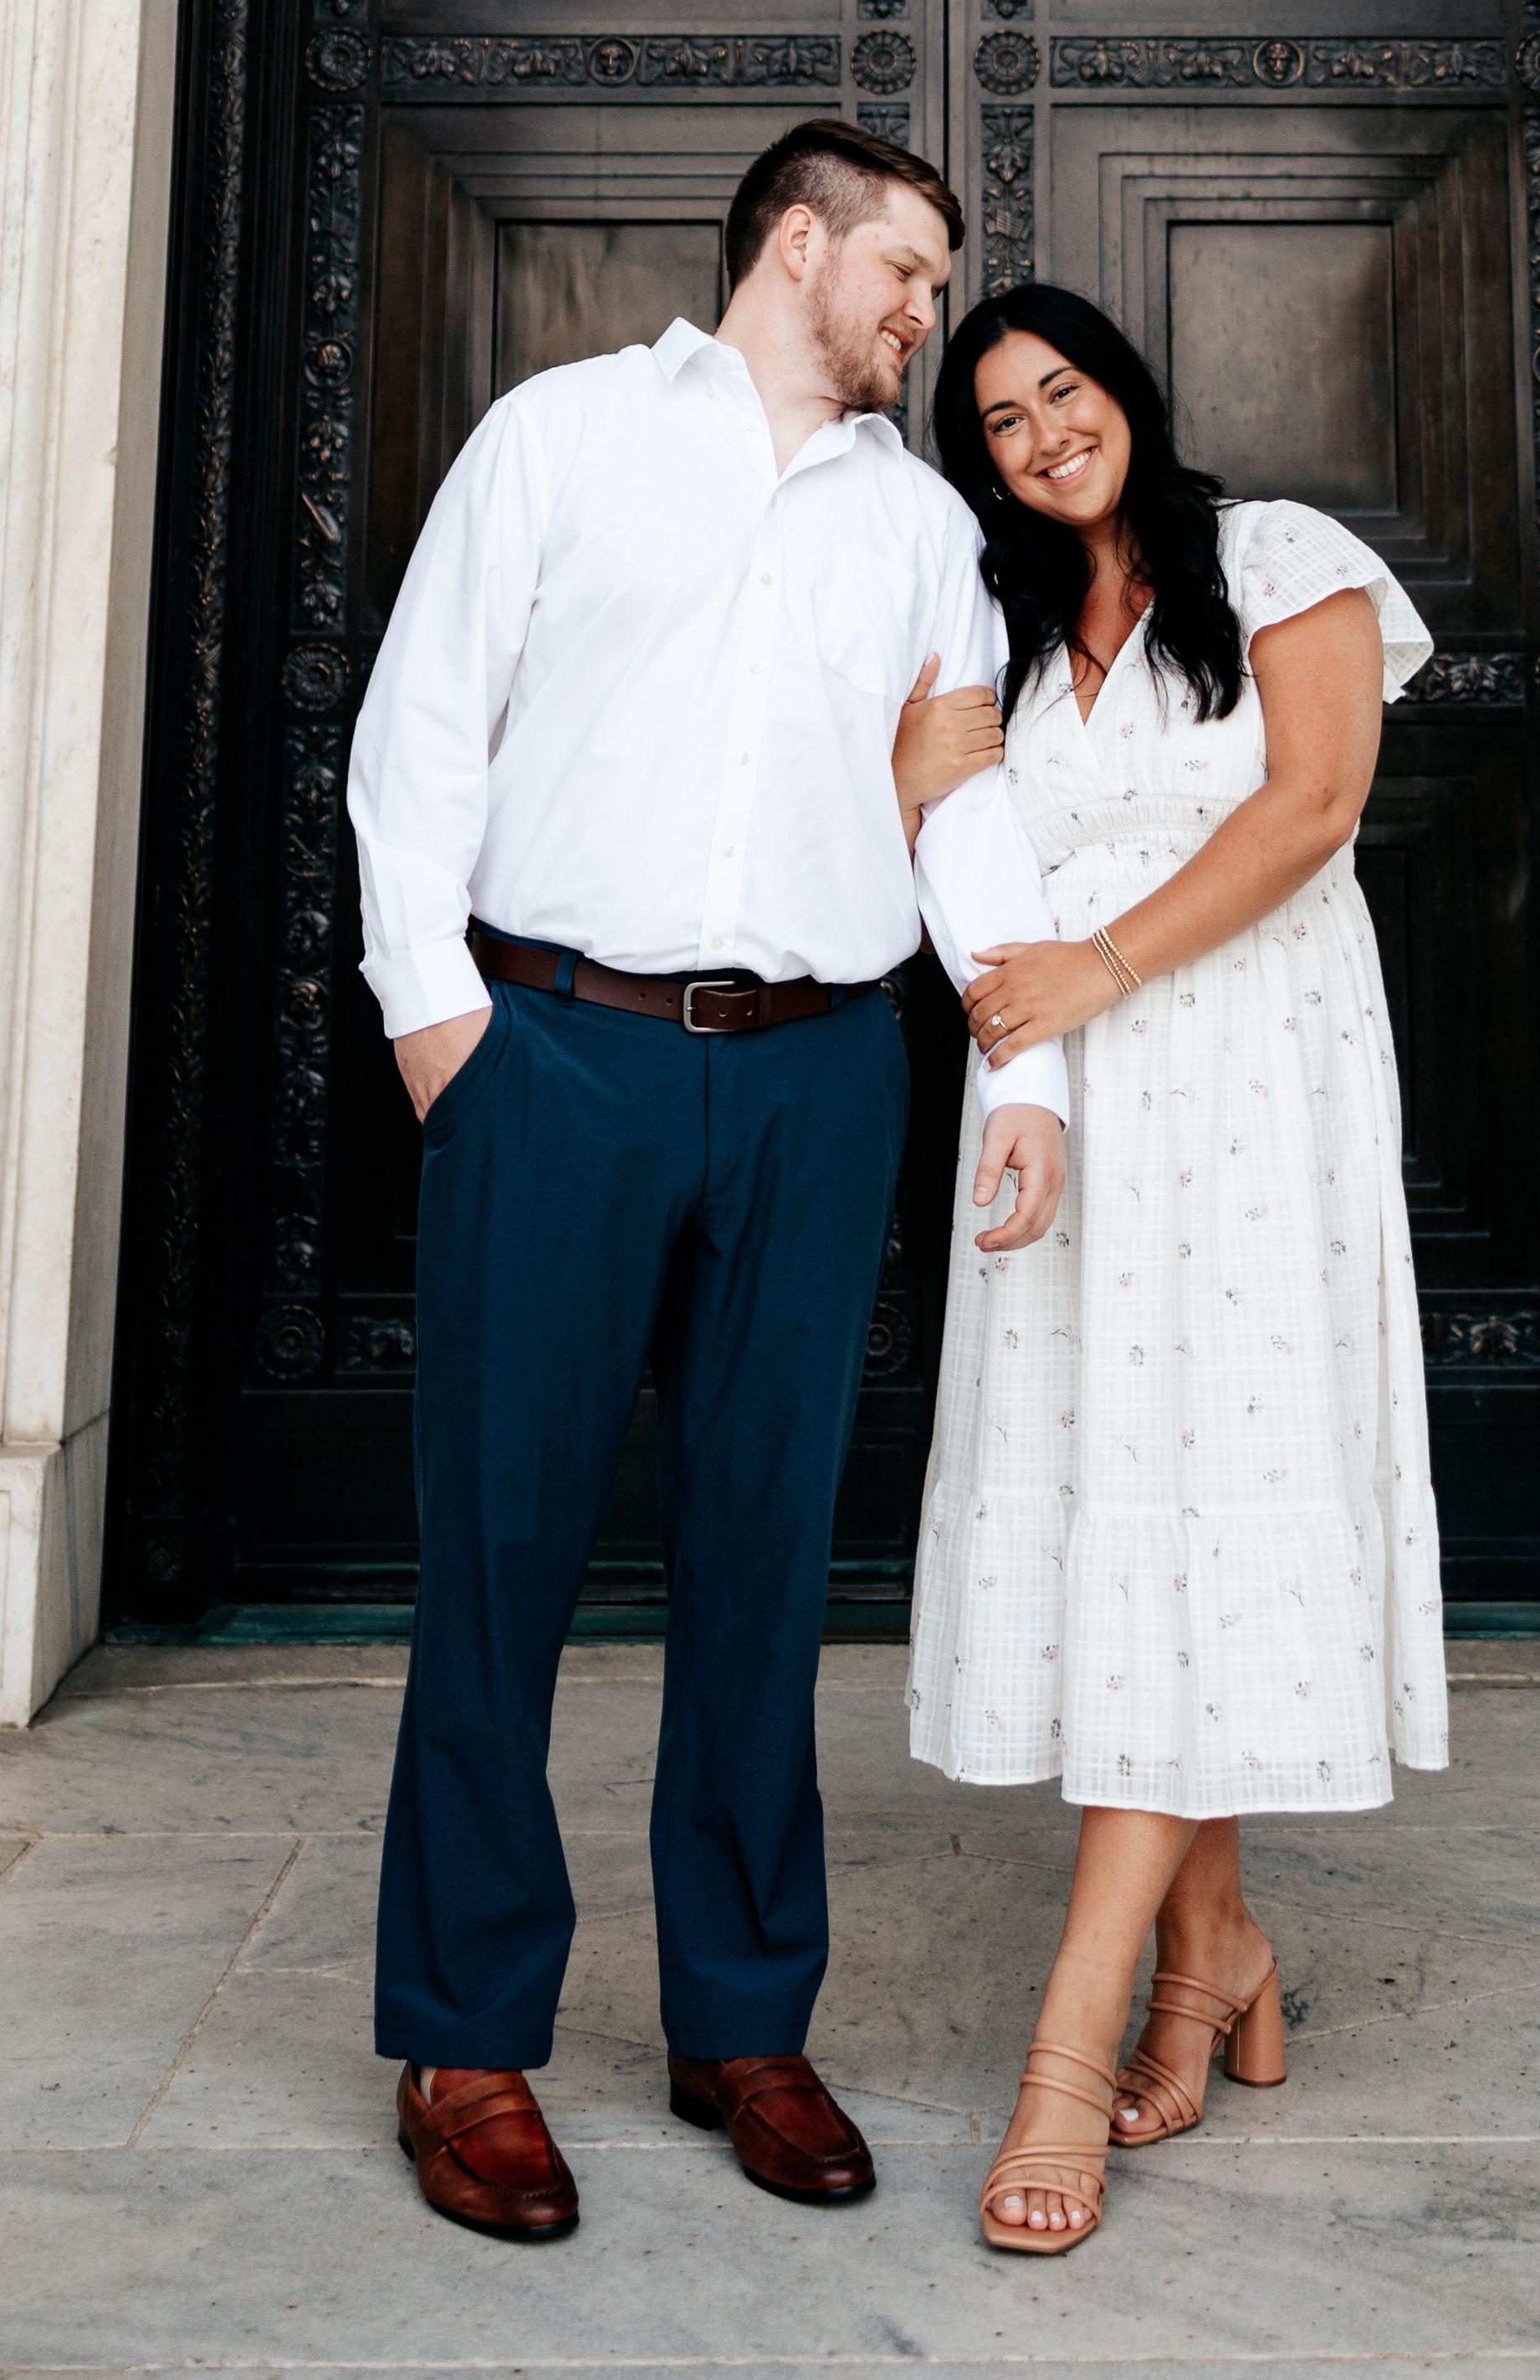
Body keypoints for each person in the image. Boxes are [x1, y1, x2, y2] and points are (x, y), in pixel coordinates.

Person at [342, 120, 1075, 2243]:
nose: (927, 309)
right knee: (501, 1551)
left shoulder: (918, 525)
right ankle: (464, 2036)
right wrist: (443, 1033)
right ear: (799, 241)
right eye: (907, 267)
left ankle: (741, 2019)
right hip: (552, 1055)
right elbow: (417, 739)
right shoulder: (558, 436)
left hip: (818, 1072)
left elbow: (954, 808)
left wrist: (1021, 1061)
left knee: (763, 1558)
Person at [888, 282, 1447, 2257]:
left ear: (1120, 387)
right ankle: (1215, 1951)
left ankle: (1071, 2043)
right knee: (1134, 1517)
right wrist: (904, 777)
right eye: (1001, 418)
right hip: (1069, 1112)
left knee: (1214, 1487)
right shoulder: (1006, 636)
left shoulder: (1276, 554)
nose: (1044, 430)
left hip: (1253, 1094)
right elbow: (960, 866)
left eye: (1063, 390)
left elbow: (1313, 804)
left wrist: (1103, 963)